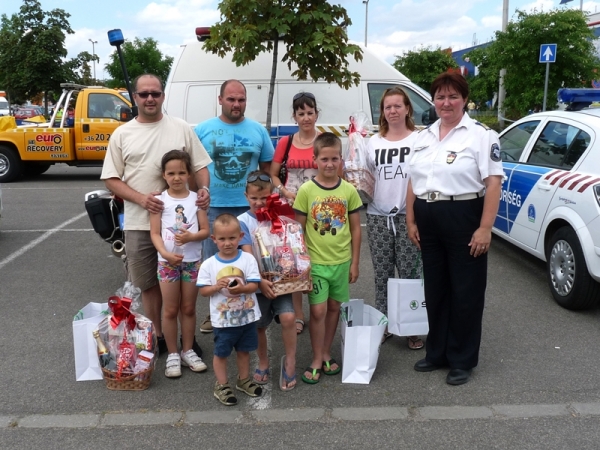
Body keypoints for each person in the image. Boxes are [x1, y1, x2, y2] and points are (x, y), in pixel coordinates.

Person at [101, 73, 212, 356]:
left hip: (181, 227)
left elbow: (200, 166)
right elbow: (111, 178)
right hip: (141, 223)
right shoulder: (122, 134)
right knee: (148, 284)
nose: (150, 98)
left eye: (156, 93)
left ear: (163, 95)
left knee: (185, 286)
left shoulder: (181, 128)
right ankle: (158, 336)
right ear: (135, 97)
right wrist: (141, 199)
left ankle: (186, 341)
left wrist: (204, 190)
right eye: (144, 94)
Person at [405, 72, 503, 386]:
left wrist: (485, 228)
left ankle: (461, 359)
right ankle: (437, 352)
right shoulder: (424, 136)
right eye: (440, 97)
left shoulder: (482, 136)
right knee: (435, 289)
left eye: (452, 97)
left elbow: (493, 184)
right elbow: (413, 180)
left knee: (466, 291)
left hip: (463, 215)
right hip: (428, 216)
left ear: (464, 100)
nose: (446, 103)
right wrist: (411, 219)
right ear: (433, 100)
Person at [195, 79, 274, 334]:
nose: (236, 104)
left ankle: (250, 310)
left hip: (250, 210)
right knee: (215, 263)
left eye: (241, 99)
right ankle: (215, 313)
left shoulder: (258, 131)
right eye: (231, 99)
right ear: (220, 100)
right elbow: (193, 167)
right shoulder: (202, 130)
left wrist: (263, 200)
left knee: (253, 262)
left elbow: (266, 169)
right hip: (215, 208)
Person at [293, 132, 362, 384]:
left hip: (341, 263)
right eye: (324, 159)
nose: (330, 164)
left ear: (341, 159)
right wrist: (301, 265)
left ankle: (325, 352)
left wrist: (355, 262)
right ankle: (315, 358)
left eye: (335, 158)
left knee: (334, 308)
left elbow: (356, 228)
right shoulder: (306, 190)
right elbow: (298, 230)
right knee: (318, 310)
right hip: (317, 264)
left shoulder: (349, 190)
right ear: (315, 160)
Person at [365, 86, 424, 350]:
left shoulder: (419, 140)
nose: (393, 111)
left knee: (410, 273)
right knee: (382, 273)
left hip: (408, 216)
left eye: (397, 105)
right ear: (382, 111)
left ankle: (411, 326)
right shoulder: (373, 142)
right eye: (387, 107)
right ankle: (384, 322)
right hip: (378, 217)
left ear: (407, 108)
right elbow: (364, 177)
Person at [270, 92, 330, 335]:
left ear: (317, 114)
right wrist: (284, 191)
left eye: (310, 112)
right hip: (290, 210)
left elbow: (336, 171)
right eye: (301, 113)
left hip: (319, 211)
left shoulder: (324, 140)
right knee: (294, 262)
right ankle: (298, 314)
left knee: (318, 258)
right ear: (294, 116)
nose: (306, 117)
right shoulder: (285, 142)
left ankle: (319, 308)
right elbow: (274, 174)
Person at [150, 150, 210, 378]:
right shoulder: (159, 201)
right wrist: (165, 253)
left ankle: (188, 350)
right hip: (167, 263)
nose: (176, 178)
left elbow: (205, 231)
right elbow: (155, 233)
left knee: (188, 308)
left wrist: (191, 237)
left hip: (192, 262)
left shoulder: (196, 199)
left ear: (189, 174)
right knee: (170, 309)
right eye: (171, 173)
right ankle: (173, 353)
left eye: (181, 173)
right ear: (164, 175)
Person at [238, 171, 297, 391]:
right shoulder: (243, 222)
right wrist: (260, 281)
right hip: (257, 284)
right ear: (246, 196)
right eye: (254, 198)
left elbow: (291, 245)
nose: (259, 202)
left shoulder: (279, 217)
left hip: (282, 281)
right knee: (259, 325)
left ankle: (290, 360)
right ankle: (263, 361)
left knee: (289, 317)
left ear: (272, 195)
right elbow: (247, 254)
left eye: (264, 198)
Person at [197, 214, 264, 405]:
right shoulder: (209, 264)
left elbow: (254, 285)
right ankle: (222, 384)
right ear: (214, 239)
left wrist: (242, 288)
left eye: (232, 238)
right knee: (221, 353)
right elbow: (203, 291)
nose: (227, 243)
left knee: (244, 350)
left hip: (247, 317)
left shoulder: (248, 259)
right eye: (222, 239)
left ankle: (243, 379)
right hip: (223, 320)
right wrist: (216, 287)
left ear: (241, 236)